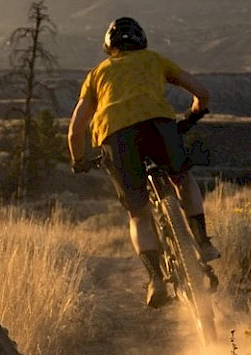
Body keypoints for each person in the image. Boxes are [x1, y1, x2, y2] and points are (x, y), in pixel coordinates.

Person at [67, 17, 220, 308]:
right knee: (182, 179)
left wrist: (79, 160)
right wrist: (193, 115)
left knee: (138, 214)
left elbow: (76, 128)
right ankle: (203, 242)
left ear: (109, 46)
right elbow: (202, 93)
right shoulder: (155, 60)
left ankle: (156, 280)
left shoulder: (97, 74)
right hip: (159, 127)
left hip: (116, 137)